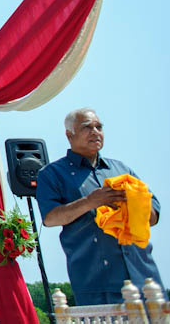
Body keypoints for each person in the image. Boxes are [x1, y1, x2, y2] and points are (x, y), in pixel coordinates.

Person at [36, 107, 164, 305]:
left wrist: (133, 204)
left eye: (99, 127)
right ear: (69, 135)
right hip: (97, 282)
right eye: (88, 127)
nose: (95, 132)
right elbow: (50, 218)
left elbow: (154, 216)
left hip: (144, 278)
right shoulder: (51, 174)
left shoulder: (121, 169)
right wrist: (89, 202)